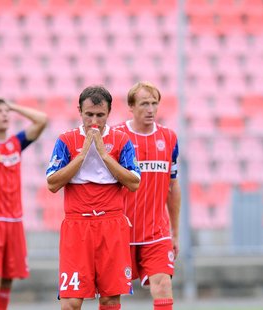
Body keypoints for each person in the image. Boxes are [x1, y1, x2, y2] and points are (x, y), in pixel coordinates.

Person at [46, 85, 141, 310]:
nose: (94, 122)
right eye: (89, 115)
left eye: (100, 115)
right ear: (79, 111)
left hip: (112, 225)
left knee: (110, 300)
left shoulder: (121, 140)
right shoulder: (66, 140)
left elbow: (134, 182)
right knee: (71, 302)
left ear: (109, 112)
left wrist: (104, 155)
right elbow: (52, 183)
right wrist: (82, 155)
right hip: (77, 225)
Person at [0, 97, 48, 310]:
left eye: (7, 112)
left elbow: (42, 120)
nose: (4, 114)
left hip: (14, 221)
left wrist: (12, 106)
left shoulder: (15, 143)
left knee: (7, 280)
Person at [113, 82, 180, 310]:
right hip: (120, 231)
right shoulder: (116, 136)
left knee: (162, 284)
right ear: (131, 106)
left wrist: (175, 232)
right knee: (110, 295)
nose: (151, 109)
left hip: (156, 231)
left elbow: (172, 186)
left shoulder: (169, 138)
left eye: (154, 103)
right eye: (144, 104)